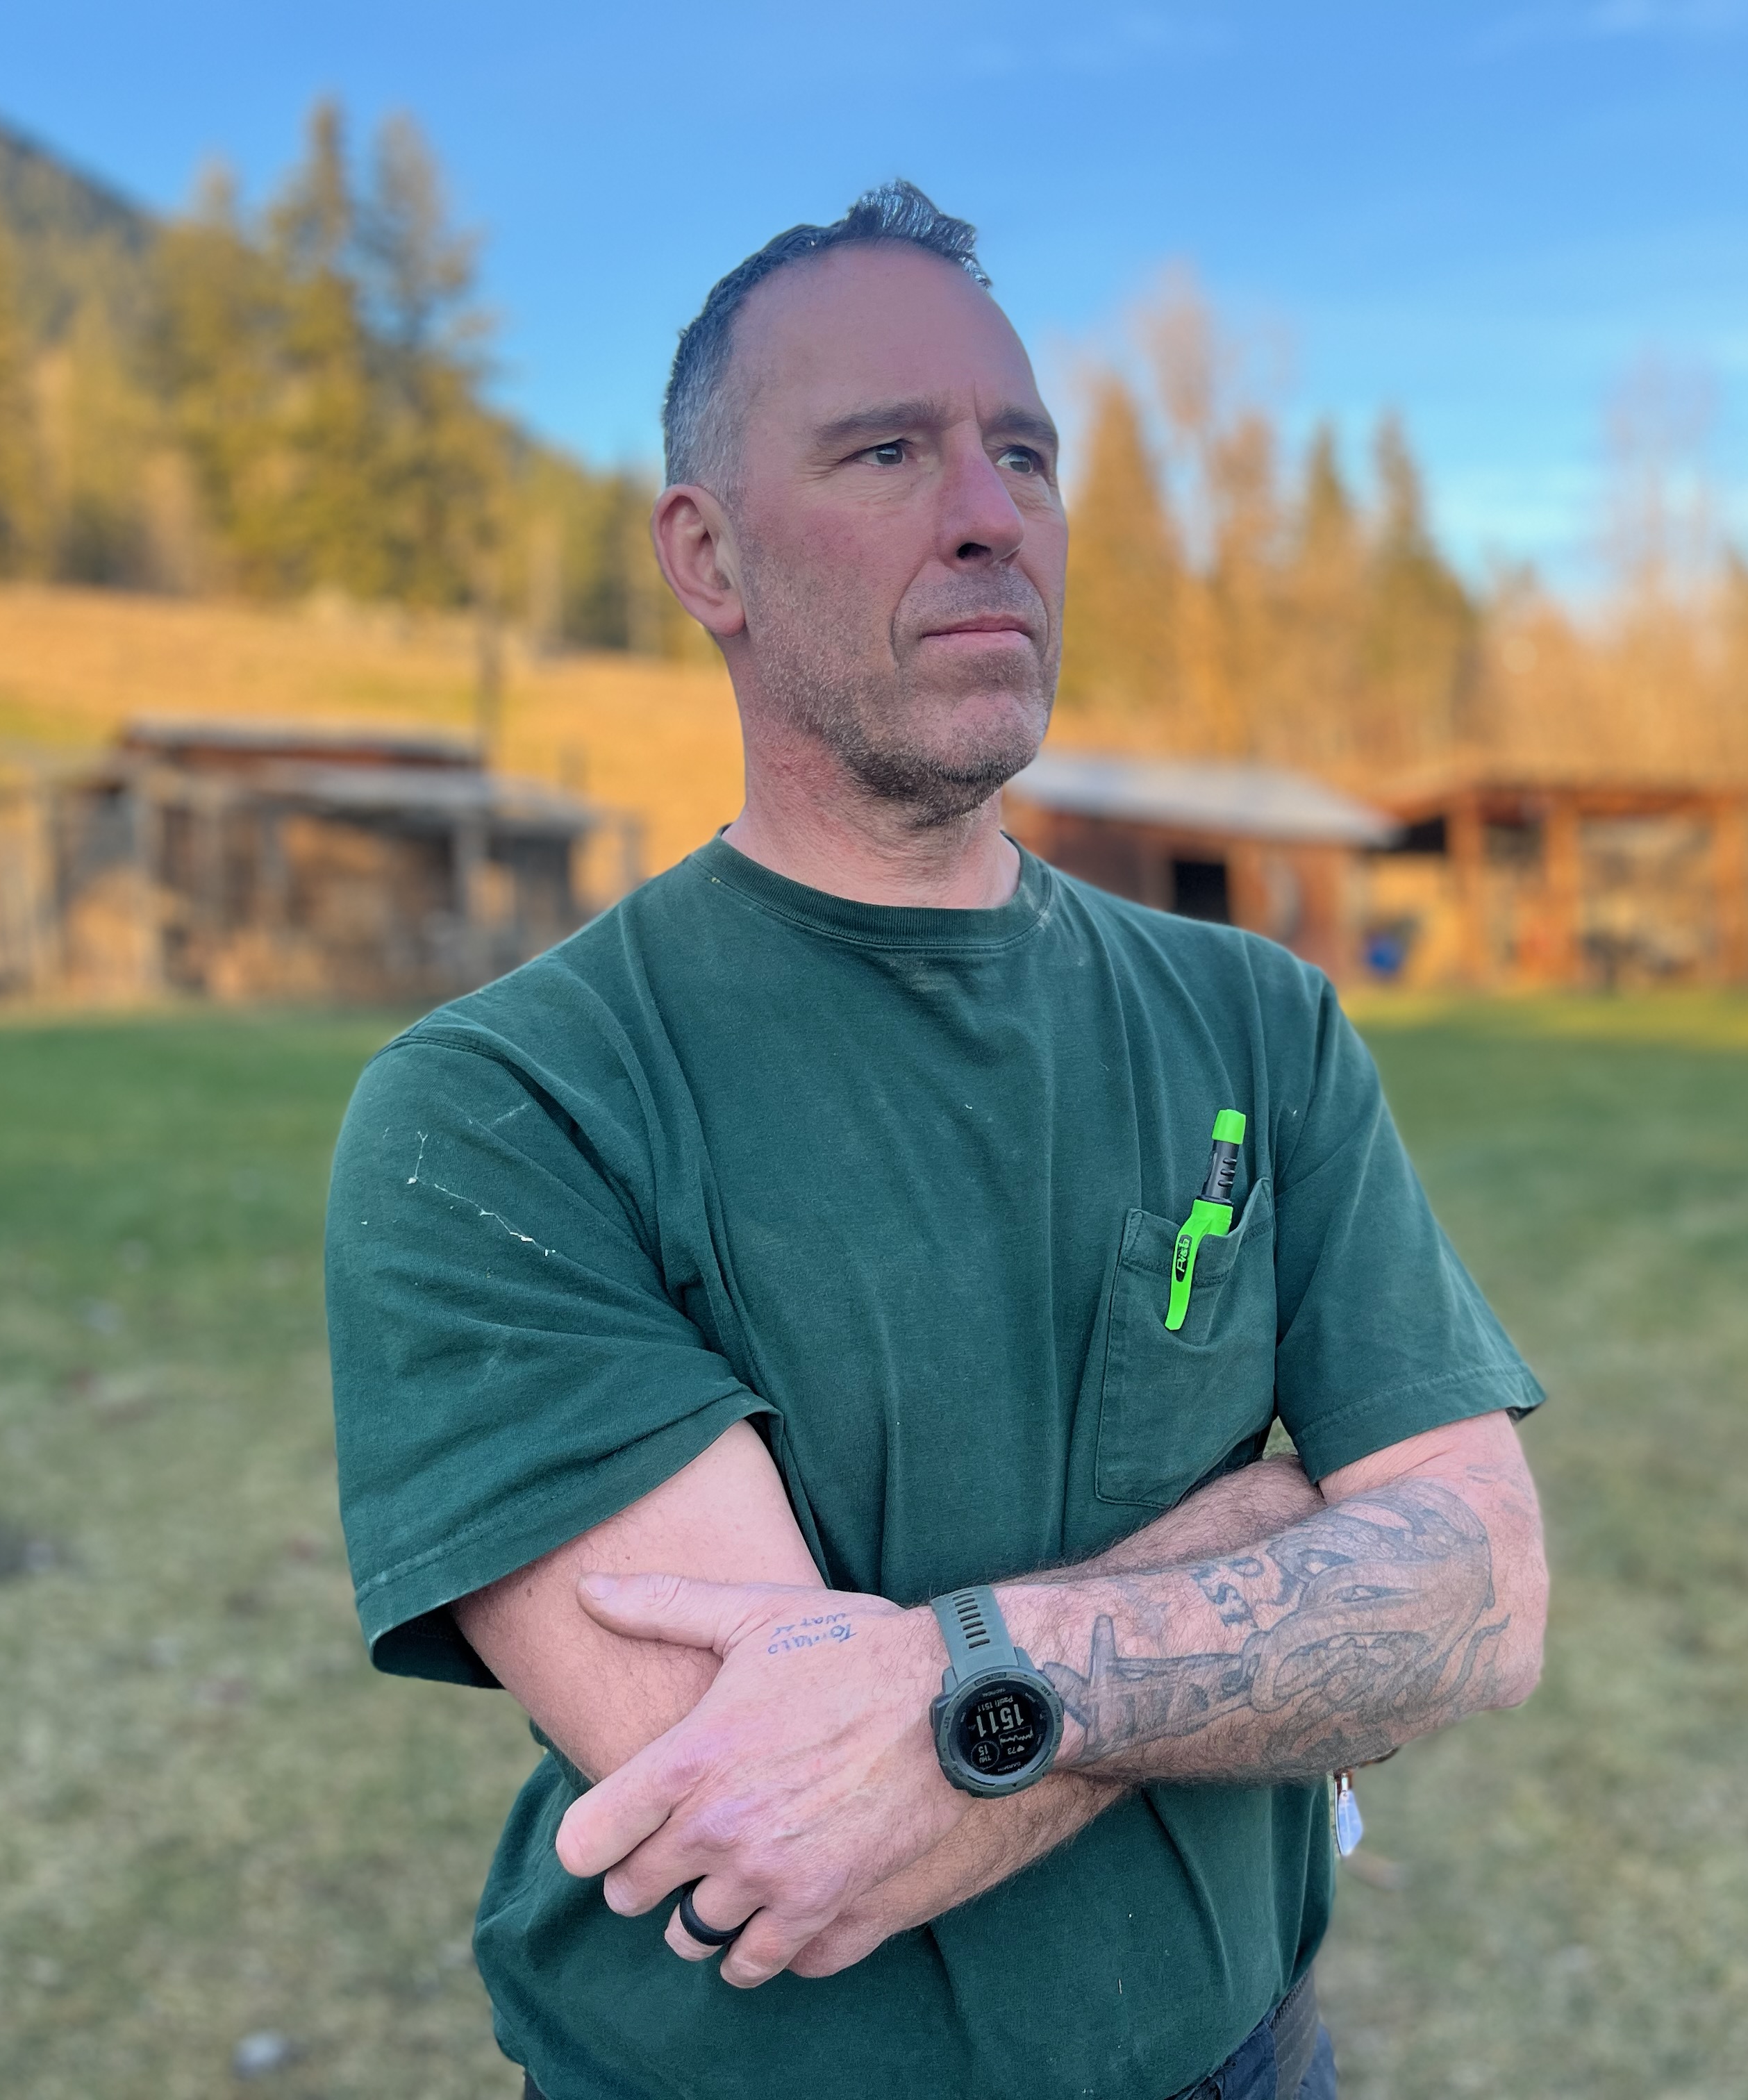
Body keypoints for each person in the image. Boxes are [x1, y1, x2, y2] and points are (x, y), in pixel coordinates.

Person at [325, 181, 1550, 2100]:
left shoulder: (1255, 1019)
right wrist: (1275, 1529)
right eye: (888, 450)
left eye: (1026, 453)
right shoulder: (505, 1107)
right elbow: (765, 1809)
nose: (991, 513)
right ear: (709, 557)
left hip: (1250, 2061)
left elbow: (1481, 1591)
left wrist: (983, 1677)